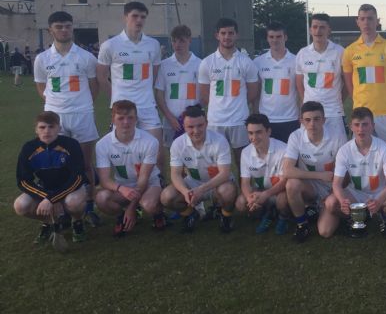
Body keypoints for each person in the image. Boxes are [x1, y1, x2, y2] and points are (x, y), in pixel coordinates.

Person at [34, 11, 101, 225]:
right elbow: (41, 87)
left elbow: (94, 87)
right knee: (58, 163)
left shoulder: (87, 57)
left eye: (68, 26)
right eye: (59, 26)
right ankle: (62, 208)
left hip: (82, 114)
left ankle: (89, 207)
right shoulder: (42, 59)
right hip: (56, 118)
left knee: (85, 163)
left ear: (72, 28)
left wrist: (81, 105)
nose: (64, 30)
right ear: (50, 30)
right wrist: (56, 105)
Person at [14, 111, 89, 244]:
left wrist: (52, 199)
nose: (47, 131)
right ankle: (49, 223)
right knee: (20, 205)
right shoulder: (29, 148)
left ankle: (77, 222)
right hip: (45, 189)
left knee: (74, 202)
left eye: (51, 127)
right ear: (36, 129)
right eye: (42, 127)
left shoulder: (71, 144)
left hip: (71, 188)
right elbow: (23, 181)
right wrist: (46, 197)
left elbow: (78, 178)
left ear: (59, 128)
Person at [161, 105, 237, 233]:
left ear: (206, 123)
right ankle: (191, 214)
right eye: (190, 127)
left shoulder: (219, 141)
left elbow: (224, 174)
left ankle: (225, 216)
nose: (196, 131)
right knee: (166, 196)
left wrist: (201, 190)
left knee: (228, 191)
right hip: (193, 183)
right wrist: (185, 192)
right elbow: (175, 174)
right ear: (184, 126)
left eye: (200, 125)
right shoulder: (178, 144)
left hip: (218, 183)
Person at [97, 1, 163, 146]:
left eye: (143, 17)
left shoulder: (153, 45)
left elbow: (154, 75)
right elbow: (101, 77)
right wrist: (116, 99)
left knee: (156, 150)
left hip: (147, 106)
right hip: (122, 108)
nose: (139, 20)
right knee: (122, 150)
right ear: (125, 17)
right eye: (135, 16)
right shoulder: (110, 45)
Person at [342, 4, 386, 162]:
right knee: (361, 158)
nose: (366, 22)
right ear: (357, 22)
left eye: (370, 18)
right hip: (361, 113)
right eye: (362, 19)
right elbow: (350, 85)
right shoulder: (349, 51)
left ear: (377, 21)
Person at [94, 100, 164, 237]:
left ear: (136, 119)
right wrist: (121, 188)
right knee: (102, 198)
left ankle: (158, 214)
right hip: (124, 187)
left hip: (149, 184)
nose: (126, 122)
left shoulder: (150, 141)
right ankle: (122, 217)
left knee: (148, 204)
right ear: (113, 119)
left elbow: (144, 178)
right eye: (121, 118)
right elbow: (104, 180)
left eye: (130, 118)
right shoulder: (102, 144)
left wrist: (131, 207)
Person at [198, 18, 259, 169]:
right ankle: (221, 185)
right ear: (217, 35)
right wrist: (219, 107)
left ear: (236, 35)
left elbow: (253, 92)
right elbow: (205, 94)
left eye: (231, 33)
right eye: (223, 33)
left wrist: (238, 104)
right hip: (216, 121)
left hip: (239, 120)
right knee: (214, 161)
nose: (227, 37)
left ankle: (243, 184)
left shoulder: (246, 62)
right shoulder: (207, 62)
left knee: (242, 161)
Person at [331, 107, 386, 238]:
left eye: (365, 124)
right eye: (357, 125)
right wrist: (342, 201)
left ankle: (384, 218)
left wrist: (378, 201)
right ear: (351, 126)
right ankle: (356, 218)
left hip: (379, 193)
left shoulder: (383, 148)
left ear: (373, 126)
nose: (360, 129)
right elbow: (336, 184)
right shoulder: (344, 150)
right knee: (331, 203)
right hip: (356, 193)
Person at [282, 101, 346, 242]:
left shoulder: (338, 136)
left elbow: (345, 172)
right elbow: (287, 170)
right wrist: (319, 175)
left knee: (325, 232)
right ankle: (302, 225)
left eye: (317, 119)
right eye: (308, 120)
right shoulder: (295, 136)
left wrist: (333, 193)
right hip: (309, 188)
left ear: (324, 120)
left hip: (331, 189)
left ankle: (321, 210)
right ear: (301, 121)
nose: (312, 124)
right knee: (292, 184)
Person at [294, 13, 347, 140]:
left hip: (333, 111)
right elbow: (299, 83)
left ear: (329, 30)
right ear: (310, 30)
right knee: (309, 146)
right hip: (310, 112)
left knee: (338, 147)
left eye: (322, 27)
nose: (318, 31)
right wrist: (306, 100)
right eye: (315, 27)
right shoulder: (302, 53)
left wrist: (339, 99)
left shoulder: (340, 52)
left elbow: (347, 82)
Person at [235, 113, 289, 235]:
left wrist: (266, 194)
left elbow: (284, 181)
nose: (254, 137)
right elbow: (245, 182)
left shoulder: (283, 149)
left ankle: (283, 217)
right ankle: (269, 213)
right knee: (241, 203)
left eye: (258, 132)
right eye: (250, 133)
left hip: (278, 192)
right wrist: (249, 198)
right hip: (260, 192)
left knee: (283, 200)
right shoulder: (246, 152)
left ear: (268, 131)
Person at [154, 25, 201, 147]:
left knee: (195, 153)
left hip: (194, 122)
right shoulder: (164, 65)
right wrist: (170, 117)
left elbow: (206, 95)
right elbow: (159, 95)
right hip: (171, 122)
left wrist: (194, 116)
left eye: (181, 41)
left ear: (189, 40)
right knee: (173, 155)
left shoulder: (200, 64)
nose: (177, 45)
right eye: (174, 41)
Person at [254, 22, 300, 143]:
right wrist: (256, 114)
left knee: (289, 153)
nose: (275, 40)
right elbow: (257, 93)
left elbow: (300, 91)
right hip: (266, 119)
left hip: (290, 118)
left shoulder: (296, 60)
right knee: (267, 153)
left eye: (279, 36)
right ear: (267, 38)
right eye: (271, 37)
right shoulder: (258, 62)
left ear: (285, 37)